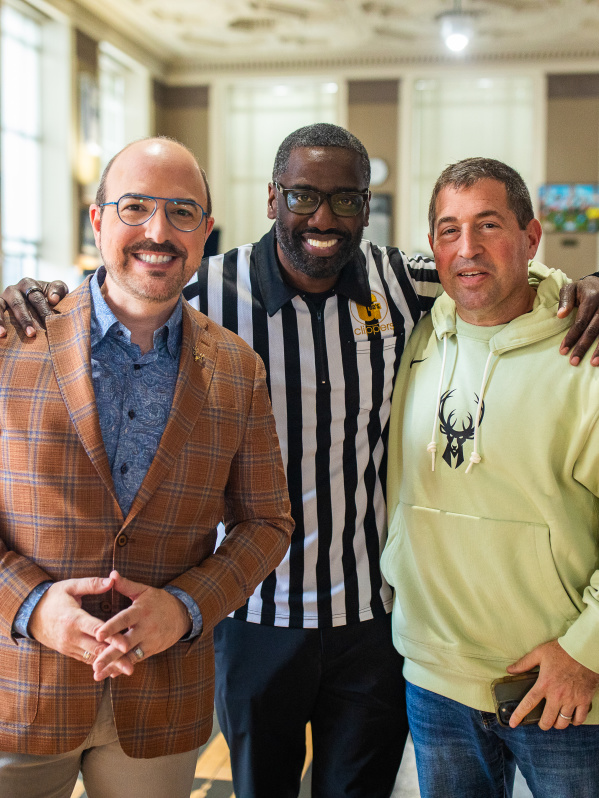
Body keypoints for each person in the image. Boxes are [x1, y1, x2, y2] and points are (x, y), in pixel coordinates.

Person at [4, 126, 599, 798]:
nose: (322, 217)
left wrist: (587, 285)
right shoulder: (206, 289)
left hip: (372, 619)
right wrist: (33, 295)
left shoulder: (402, 281)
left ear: (366, 208)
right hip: (252, 616)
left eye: (345, 200)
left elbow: (492, 270)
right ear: (271, 199)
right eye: (302, 196)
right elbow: (123, 286)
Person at [0, 137, 293, 798]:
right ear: (97, 219)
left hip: (160, 696)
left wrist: (186, 608)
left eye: (181, 212)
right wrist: (32, 606)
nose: (158, 231)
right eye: (135, 207)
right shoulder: (11, 341)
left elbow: (267, 523)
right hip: (17, 686)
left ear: (205, 231)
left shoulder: (238, 369)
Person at [381, 157, 599, 798]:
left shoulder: (585, 353)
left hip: (559, 682)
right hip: (434, 676)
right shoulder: (419, 335)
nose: (468, 248)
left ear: (531, 238)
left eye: (489, 225)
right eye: (449, 230)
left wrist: (587, 650)